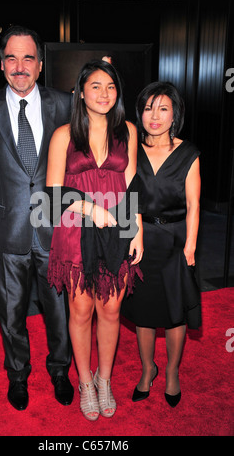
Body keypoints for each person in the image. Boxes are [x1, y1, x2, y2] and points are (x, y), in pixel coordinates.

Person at [0, 26, 74, 411]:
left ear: (40, 65)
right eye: (11, 58)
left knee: (58, 310)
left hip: (55, 229)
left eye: (28, 58)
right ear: (1, 65)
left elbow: (79, 165)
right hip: (5, 229)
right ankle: (17, 375)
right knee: (10, 313)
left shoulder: (63, 104)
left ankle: (61, 370)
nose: (20, 66)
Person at [46, 59, 143, 421]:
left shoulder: (127, 132)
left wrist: (139, 232)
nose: (104, 94)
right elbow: (53, 194)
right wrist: (91, 209)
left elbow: (133, 188)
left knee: (112, 308)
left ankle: (105, 379)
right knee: (82, 309)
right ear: (80, 92)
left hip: (118, 229)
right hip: (75, 229)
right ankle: (85, 380)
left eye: (111, 87)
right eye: (96, 86)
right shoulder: (63, 135)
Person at [121, 81, 201, 408]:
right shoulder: (131, 149)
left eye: (163, 108)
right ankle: (146, 369)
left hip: (176, 241)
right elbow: (128, 198)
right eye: (149, 108)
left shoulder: (188, 154)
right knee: (143, 312)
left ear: (174, 114)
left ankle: (171, 372)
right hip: (141, 239)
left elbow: (195, 205)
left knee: (174, 314)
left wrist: (191, 250)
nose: (155, 116)